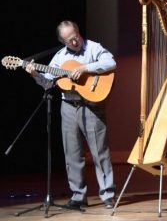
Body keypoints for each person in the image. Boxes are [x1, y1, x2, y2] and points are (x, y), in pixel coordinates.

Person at [25, 20, 116, 209]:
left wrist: (84, 68)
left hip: (91, 104)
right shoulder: (59, 57)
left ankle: (108, 195)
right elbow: (48, 83)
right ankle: (78, 196)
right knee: (72, 153)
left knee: (99, 152)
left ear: (78, 32)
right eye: (68, 41)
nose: (74, 43)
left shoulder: (93, 47)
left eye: (75, 37)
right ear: (62, 41)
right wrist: (35, 75)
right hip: (68, 106)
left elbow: (110, 62)